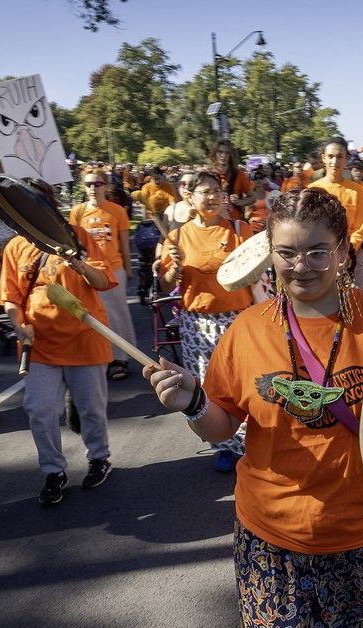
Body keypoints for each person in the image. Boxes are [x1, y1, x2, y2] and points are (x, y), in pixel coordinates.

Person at [144, 187, 363, 628]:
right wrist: (192, 402)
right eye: (287, 252)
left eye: (318, 251)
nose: (302, 266)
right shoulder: (247, 331)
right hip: (277, 542)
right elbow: (221, 426)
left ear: (344, 252)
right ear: (269, 254)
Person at [0, 179, 116, 504]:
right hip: (40, 347)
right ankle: (53, 471)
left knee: (91, 408)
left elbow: (104, 280)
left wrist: (78, 263)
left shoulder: (80, 237)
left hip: (85, 339)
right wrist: (18, 324)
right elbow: (10, 297)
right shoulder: (15, 247)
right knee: (39, 410)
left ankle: (99, 458)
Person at [158, 170, 253, 472]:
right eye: (204, 191)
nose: (211, 197)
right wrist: (174, 267)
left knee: (243, 383)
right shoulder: (177, 236)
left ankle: (250, 444)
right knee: (208, 384)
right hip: (197, 323)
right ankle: (222, 446)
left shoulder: (239, 230)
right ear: (190, 197)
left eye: (216, 190)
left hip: (238, 318)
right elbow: (164, 285)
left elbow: (259, 269)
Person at [69, 167, 137, 381]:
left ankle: (120, 359)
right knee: (91, 316)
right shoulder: (77, 212)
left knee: (116, 315)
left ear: (106, 186)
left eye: (97, 184)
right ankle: (100, 356)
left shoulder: (117, 211)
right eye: (88, 184)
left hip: (113, 270)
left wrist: (128, 268)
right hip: (88, 271)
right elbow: (73, 244)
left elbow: (124, 244)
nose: (93, 188)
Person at [310, 136, 363, 281]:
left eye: (340, 157)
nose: (335, 162)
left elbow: (361, 226)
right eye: (330, 156)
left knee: (353, 301)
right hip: (319, 257)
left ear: (346, 159)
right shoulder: (312, 190)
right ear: (323, 158)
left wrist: (347, 252)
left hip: (352, 257)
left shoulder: (358, 191)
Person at [210, 139, 254, 221]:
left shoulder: (239, 174)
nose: (223, 155)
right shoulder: (209, 175)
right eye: (220, 152)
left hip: (234, 222)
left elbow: (252, 198)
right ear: (215, 153)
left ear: (231, 155)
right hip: (214, 221)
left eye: (227, 153)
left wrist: (239, 202)